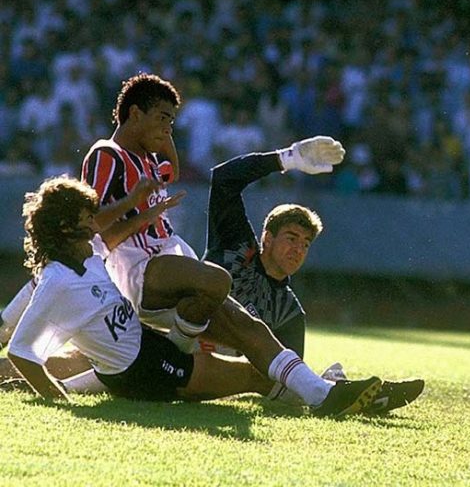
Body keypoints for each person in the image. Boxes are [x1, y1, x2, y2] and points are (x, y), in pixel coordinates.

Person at [77, 72, 382, 415]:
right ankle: (176, 351)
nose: (169, 128)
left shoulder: (147, 158)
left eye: (172, 121)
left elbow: (172, 170)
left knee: (249, 328)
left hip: (169, 267)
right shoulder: (107, 154)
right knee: (216, 279)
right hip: (135, 268)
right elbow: (94, 226)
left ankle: (323, 394)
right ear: (135, 113)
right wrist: (141, 211)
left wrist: (163, 133)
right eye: (163, 118)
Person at [7, 176, 377, 416]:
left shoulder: (87, 256)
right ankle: (330, 395)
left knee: (246, 359)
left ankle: (327, 392)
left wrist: (146, 208)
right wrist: (60, 403)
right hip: (149, 371)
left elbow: (110, 237)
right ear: (65, 227)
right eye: (87, 217)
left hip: (148, 352)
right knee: (252, 376)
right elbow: (21, 351)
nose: (95, 221)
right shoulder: (56, 280)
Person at [200, 143, 425, 413]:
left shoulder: (289, 311)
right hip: (181, 340)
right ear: (267, 238)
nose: (298, 249)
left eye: (305, 244)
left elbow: (288, 381)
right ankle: (337, 387)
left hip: (220, 377)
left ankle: (348, 392)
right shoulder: (235, 246)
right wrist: (287, 158)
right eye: (291, 238)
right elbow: (224, 177)